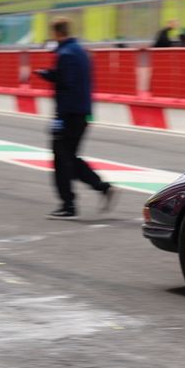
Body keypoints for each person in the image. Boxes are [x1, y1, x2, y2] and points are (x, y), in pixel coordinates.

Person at [35, 17, 116, 219]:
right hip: (82, 113)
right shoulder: (81, 51)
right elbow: (68, 79)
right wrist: (49, 74)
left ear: (56, 33)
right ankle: (102, 187)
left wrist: (59, 118)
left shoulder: (65, 53)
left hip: (69, 114)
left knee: (61, 160)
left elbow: (66, 87)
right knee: (68, 157)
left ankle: (68, 205)